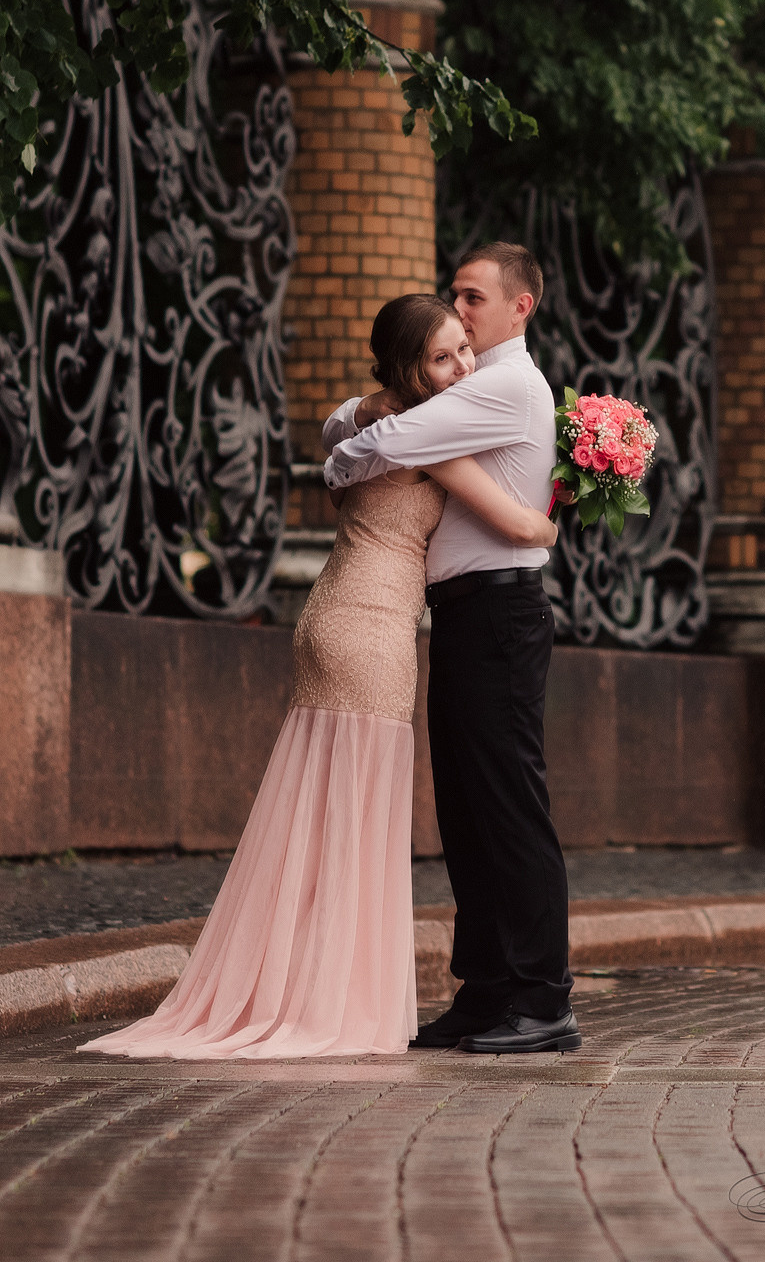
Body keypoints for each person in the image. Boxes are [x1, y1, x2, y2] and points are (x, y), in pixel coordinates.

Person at [79, 294, 556, 1060]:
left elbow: (342, 440)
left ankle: (301, 984)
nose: (463, 365)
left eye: (463, 348)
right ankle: (329, 1000)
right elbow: (521, 524)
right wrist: (555, 511)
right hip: (369, 632)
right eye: (442, 356)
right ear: (408, 369)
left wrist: (364, 411)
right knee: (357, 818)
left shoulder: (387, 419)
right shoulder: (424, 435)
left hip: (333, 615)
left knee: (318, 811)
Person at [323, 242, 577, 1055]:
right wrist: (371, 415)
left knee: (507, 807)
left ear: (518, 307)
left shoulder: (503, 383)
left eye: (472, 299)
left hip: (498, 613)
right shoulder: (480, 384)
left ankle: (543, 999)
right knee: (468, 811)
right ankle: (488, 991)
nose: (459, 309)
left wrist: (372, 418)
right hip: (467, 614)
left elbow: (362, 450)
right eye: (455, 297)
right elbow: (361, 426)